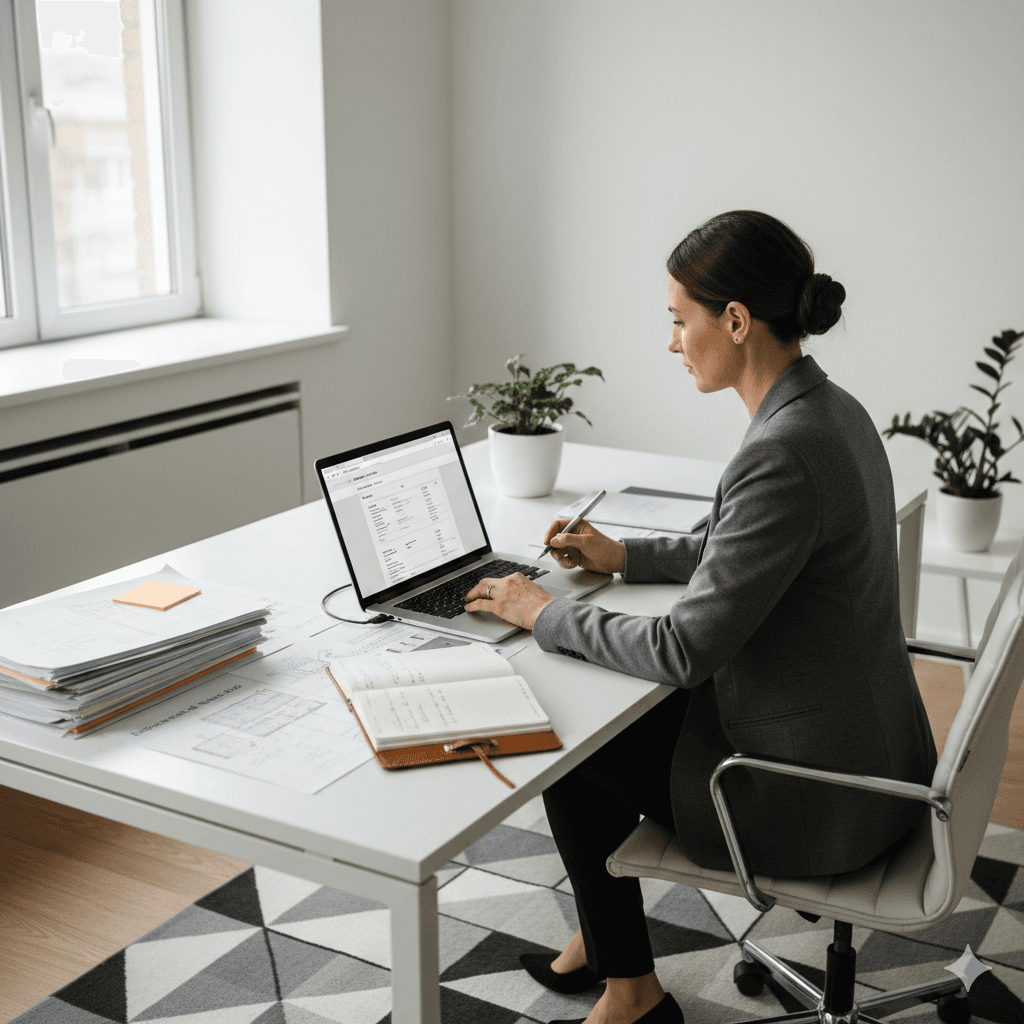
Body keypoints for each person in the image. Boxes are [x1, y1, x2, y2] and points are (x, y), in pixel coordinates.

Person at [463, 210, 938, 1024]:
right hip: (876, 754)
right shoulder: (828, 410)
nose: (673, 341)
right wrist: (624, 556)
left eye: (681, 320)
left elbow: (684, 648)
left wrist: (542, 611)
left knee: (577, 750)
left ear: (737, 322)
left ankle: (631, 992)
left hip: (818, 795)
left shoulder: (782, 448)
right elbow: (741, 546)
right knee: (616, 722)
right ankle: (604, 941)